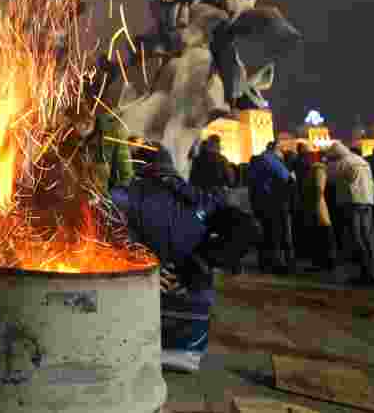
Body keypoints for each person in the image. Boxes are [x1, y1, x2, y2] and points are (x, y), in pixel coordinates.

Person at [111, 146, 259, 373]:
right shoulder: (203, 199)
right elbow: (248, 229)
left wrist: (148, 269)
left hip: (133, 330)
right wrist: (202, 261)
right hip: (187, 345)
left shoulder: (123, 196)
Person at [323, 142, 374, 286]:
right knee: (368, 237)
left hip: (352, 202)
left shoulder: (341, 163)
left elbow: (329, 178)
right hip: (368, 201)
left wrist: (327, 164)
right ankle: (371, 271)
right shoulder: (361, 160)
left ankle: (365, 273)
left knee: (357, 237)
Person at [247, 142, 295, 274]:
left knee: (263, 233)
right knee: (275, 233)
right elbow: (287, 178)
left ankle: (264, 263)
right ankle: (277, 264)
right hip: (272, 202)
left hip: (257, 202)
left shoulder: (257, 161)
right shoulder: (272, 160)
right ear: (276, 149)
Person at [301, 153, 336, 272]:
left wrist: (315, 205)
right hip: (318, 206)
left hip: (318, 207)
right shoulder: (317, 169)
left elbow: (318, 189)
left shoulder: (317, 169)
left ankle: (325, 261)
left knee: (322, 234)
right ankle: (323, 261)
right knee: (320, 234)